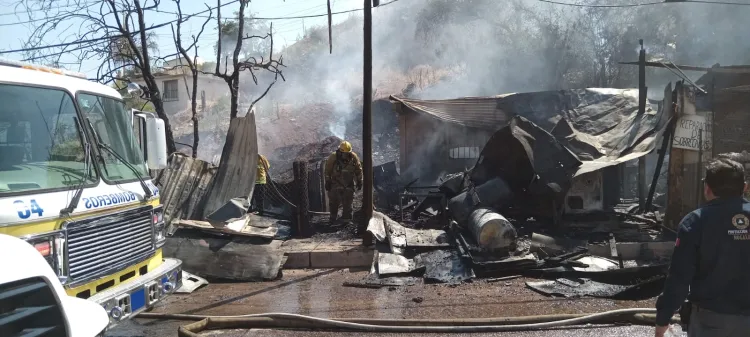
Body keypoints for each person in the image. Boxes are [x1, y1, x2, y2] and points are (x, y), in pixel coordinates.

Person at [655, 157, 750, 337]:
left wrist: (663, 320)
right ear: (744, 187)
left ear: (707, 188)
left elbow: (679, 278)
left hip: (710, 322)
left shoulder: (696, 222)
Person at [324, 141, 363, 225]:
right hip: (335, 184)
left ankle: (346, 221)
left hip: (349, 184)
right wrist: (327, 181)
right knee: (334, 202)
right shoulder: (333, 157)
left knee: (348, 202)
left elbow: (358, 170)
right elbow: (328, 170)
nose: (346, 155)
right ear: (340, 152)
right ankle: (333, 219)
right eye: (344, 153)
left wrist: (360, 181)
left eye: (347, 153)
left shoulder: (353, 157)